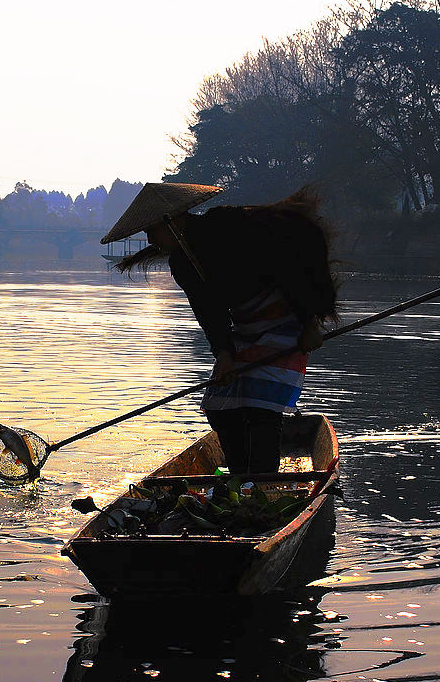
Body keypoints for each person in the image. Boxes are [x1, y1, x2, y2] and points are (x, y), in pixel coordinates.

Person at [101, 182, 338, 475]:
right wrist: (223, 354)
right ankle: (240, 477)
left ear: (171, 222)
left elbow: (296, 258)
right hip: (247, 325)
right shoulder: (182, 264)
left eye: (151, 229)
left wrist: (311, 321)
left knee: (260, 407)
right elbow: (209, 313)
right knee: (219, 405)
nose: (149, 237)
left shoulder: (230, 224)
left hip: (288, 315)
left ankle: (262, 481)